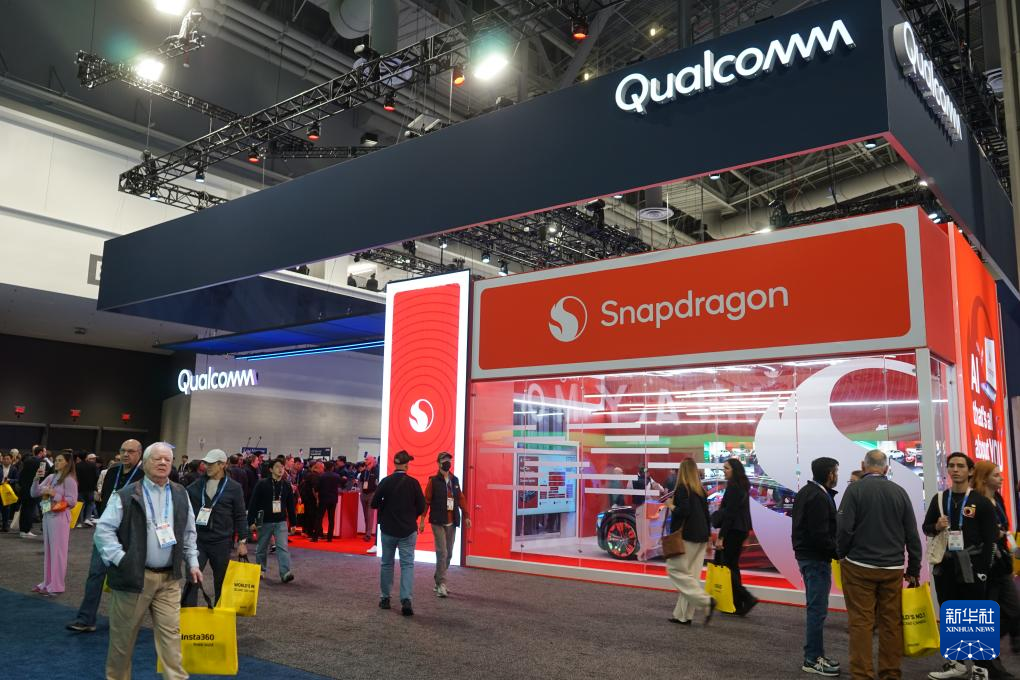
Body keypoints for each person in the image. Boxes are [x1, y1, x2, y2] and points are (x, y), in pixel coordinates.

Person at [94, 442, 202, 680]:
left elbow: (188, 532)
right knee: (122, 640)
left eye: (167, 459)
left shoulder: (180, 493)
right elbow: (103, 531)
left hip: (169, 579)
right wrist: (122, 560)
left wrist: (193, 562)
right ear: (144, 463)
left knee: (172, 640)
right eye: (157, 459)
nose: (163, 463)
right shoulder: (126, 494)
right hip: (134, 579)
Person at [836, 449, 921, 680]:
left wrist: (842, 554)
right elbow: (912, 534)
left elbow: (843, 528)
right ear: (886, 468)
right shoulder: (899, 492)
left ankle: (862, 675)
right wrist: (914, 568)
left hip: (858, 566)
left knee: (861, 623)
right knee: (891, 623)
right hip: (892, 568)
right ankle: (890, 673)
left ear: (863, 466)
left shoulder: (854, 490)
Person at [924, 452, 999, 680]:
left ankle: (980, 669)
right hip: (946, 566)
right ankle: (956, 664)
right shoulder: (939, 499)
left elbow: (990, 539)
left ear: (970, 471)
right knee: (951, 614)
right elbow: (927, 528)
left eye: (960, 466)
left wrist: (983, 570)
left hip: (972, 566)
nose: (955, 470)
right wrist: (936, 526)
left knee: (975, 617)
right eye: (951, 466)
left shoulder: (980, 502)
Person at [66, 440, 143, 633]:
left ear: (140, 454)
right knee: (95, 574)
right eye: (123, 450)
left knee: (127, 579)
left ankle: (125, 621)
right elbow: (106, 498)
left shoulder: (144, 475)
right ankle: (86, 619)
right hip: (106, 531)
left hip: (130, 534)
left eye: (131, 451)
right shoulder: (112, 472)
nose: (126, 454)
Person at [791, 457, 841, 677]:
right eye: (836, 472)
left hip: (810, 557)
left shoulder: (808, 492)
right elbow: (819, 534)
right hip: (815, 559)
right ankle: (812, 658)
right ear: (830, 474)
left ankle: (816, 655)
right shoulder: (818, 497)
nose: (837, 476)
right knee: (817, 610)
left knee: (816, 609)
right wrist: (838, 553)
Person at [184, 450, 249, 605]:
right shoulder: (194, 487)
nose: (207, 466)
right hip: (199, 540)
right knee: (192, 577)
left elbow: (240, 515)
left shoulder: (234, 487)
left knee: (222, 581)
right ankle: (187, 612)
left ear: (222, 465)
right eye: (206, 463)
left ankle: (221, 613)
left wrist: (242, 541)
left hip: (222, 542)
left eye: (211, 464)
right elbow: (186, 512)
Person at [974, 461, 1020, 657]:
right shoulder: (975, 502)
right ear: (984, 479)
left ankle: (991, 642)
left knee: (1013, 607)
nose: (1001, 478)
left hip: (1002, 562)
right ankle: (983, 646)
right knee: (991, 612)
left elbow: (1003, 526)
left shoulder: (998, 498)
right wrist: (994, 534)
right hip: (985, 565)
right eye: (996, 475)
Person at [372, 450, 425, 616]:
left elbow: (374, 503)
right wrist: (411, 516)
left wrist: (385, 509)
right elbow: (422, 507)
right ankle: (406, 600)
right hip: (408, 530)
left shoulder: (385, 481)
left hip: (388, 529)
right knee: (407, 564)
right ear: (407, 465)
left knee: (387, 564)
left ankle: (385, 598)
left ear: (395, 464)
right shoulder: (413, 483)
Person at [662, 458, 715, 626]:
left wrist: (670, 505)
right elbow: (706, 516)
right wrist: (708, 538)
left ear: (682, 471)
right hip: (701, 536)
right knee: (691, 577)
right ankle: (683, 615)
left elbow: (683, 511)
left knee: (675, 570)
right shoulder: (701, 491)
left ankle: (706, 601)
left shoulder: (682, 489)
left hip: (687, 536)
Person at [419, 452, 471, 598]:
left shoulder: (455, 480)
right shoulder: (433, 481)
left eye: (449, 460)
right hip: (437, 521)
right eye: (444, 460)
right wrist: (422, 520)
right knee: (442, 552)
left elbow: (461, 499)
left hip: (452, 522)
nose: (447, 462)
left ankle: (438, 579)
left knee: (449, 554)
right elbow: (426, 501)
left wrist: (467, 516)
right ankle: (442, 584)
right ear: (438, 463)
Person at [714, 457, 758, 616]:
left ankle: (746, 597)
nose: (724, 471)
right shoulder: (742, 486)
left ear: (734, 470)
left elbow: (730, 514)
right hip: (740, 530)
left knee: (727, 566)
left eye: (726, 468)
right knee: (732, 566)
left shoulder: (733, 487)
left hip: (733, 530)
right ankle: (738, 603)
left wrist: (721, 536)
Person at [31, 450, 78, 596]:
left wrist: (54, 494)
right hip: (47, 515)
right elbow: (34, 493)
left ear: (67, 463)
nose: (56, 462)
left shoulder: (69, 480)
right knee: (49, 552)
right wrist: (36, 479)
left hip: (60, 518)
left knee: (58, 553)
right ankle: (47, 582)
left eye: (60, 460)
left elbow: (72, 501)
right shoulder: (51, 477)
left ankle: (57, 585)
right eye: (56, 460)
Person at [248, 457, 297, 582]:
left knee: (283, 547)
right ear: (271, 469)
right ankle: (260, 570)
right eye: (277, 467)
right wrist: (251, 521)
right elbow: (253, 503)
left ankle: (285, 573)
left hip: (281, 522)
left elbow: (291, 505)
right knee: (262, 548)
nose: (280, 469)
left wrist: (293, 523)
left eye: (282, 467)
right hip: (265, 521)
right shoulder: (262, 484)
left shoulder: (286, 485)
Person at [17, 445, 46, 537]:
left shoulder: (27, 461)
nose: (45, 453)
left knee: (24, 509)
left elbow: (21, 475)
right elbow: (42, 477)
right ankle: (27, 530)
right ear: (41, 452)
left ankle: (22, 530)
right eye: (44, 452)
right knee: (31, 510)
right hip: (35, 489)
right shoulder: (42, 462)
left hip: (24, 489)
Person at [317, 461, 342, 542]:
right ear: (332, 468)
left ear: (325, 467)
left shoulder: (321, 476)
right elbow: (341, 484)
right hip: (333, 499)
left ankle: (315, 537)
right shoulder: (337, 476)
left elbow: (317, 487)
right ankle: (329, 537)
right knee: (331, 518)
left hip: (323, 498)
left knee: (319, 517)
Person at [300, 462, 322, 541]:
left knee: (306, 515)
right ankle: (310, 532)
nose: (323, 470)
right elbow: (314, 489)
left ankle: (305, 531)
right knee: (312, 516)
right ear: (317, 468)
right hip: (311, 499)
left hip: (305, 498)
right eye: (322, 468)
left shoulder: (308, 474)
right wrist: (317, 499)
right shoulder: (315, 476)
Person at [76, 452, 99, 527]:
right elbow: (97, 476)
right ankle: (87, 518)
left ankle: (79, 522)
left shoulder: (77, 465)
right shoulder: (93, 465)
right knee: (90, 503)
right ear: (86, 457)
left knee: (80, 504)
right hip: (90, 488)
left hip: (79, 488)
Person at [359, 457, 379, 541]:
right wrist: (361, 492)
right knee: (366, 515)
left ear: (371, 461)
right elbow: (360, 482)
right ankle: (367, 532)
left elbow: (378, 483)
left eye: (367, 460)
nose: (365, 461)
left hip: (372, 494)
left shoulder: (376, 471)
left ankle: (368, 534)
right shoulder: (364, 472)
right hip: (364, 494)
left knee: (369, 514)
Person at [0, 451, 18, 532]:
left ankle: (5, 526)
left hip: (8, 491)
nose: (6, 460)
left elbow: (17, 479)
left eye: (8, 459)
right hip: (0, 489)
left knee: (6, 509)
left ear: (11, 460)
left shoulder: (14, 469)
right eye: (4, 459)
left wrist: (10, 480)